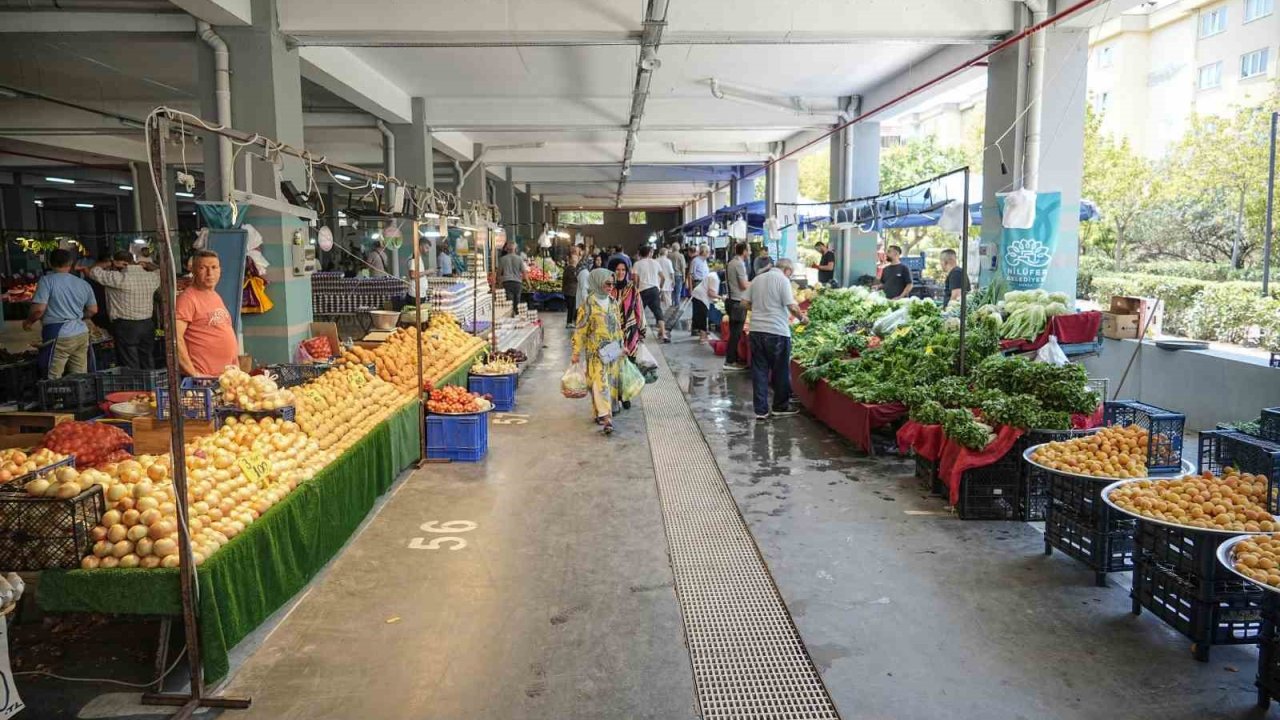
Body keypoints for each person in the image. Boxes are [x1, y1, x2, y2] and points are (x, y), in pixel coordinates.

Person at [744, 258, 807, 420]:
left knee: (759, 371)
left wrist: (758, 309)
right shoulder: (783, 280)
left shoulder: (757, 279)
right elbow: (792, 306)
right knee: (780, 370)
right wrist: (803, 319)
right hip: (777, 331)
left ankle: (761, 410)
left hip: (756, 330)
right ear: (787, 270)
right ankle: (780, 406)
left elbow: (744, 303)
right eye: (790, 273)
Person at [26, 249, 97, 379]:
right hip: (81, 333)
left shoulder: (47, 281)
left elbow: (39, 309)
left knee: (52, 376)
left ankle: (54, 398)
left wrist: (29, 322)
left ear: (50, 263)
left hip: (59, 334)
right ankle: (79, 398)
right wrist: (78, 316)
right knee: (80, 375)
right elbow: (93, 310)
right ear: (70, 264)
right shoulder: (83, 283)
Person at [571, 268, 625, 436]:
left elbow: (618, 326)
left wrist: (622, 345)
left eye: (612, 284)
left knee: (608, 384)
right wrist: (576, 352)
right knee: (600, 383)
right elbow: (580, 330)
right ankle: (607, 417)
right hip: (596, 354)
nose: (610, 287)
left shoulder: (613, 302)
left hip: (613, 352)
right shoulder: (588, 304)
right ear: (597, 282)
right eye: (607, 283)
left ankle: (600, 413)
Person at [90, 250, 160, 370]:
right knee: (147, 359)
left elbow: (93, 271)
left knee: (130, 364)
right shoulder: (151, 277)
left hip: (125, 326)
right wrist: (147, 264)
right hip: (147, 325)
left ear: (119, 263)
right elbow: (161, 271)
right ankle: (150, 386)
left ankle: (135, 388)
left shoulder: (118, 278)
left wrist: (108, 264)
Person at [175, 250, 238, 377]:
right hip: (203, 381)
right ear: (193, 271)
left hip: (226, 378)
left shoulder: (215, 296)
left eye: (214, 267)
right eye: (203, 268)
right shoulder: (187, 298)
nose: (210, 273)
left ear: (220, 270)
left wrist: (236, 368)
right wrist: (194, 374)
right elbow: (176, 339)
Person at [607, 259, 646, 361]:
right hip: (610, 334)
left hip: (630, 334)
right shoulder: (607, 289)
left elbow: (639, 310)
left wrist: (642, 330)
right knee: (613, 366)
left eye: (623, 270)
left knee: (630, 368)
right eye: (617, 269)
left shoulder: (632, 289)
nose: (621, 273)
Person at [631, 246, 669, 343]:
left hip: (642, 290)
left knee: (639, 312)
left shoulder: (637, 264)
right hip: (654, 290)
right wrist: (659, 287)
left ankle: (639, 335)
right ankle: (663, 333)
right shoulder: (655, 263)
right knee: (658, 312)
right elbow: (663, 277)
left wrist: (635, 290)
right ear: (649, 253)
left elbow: (635, 280)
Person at [724, 241, 751, 371]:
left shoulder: (731, 262)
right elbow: (743, 285)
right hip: (737, 302)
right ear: (744, 251)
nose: (750, 252)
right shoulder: (739, 264)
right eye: (749, 249)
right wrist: (757, 283)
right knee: (736, 333)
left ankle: (732, 358)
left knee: (734, 332)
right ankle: (730, 361)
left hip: (731, 301)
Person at [690, 260, 720, 344]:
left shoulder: (712, 275)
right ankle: (703, 337)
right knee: (703, 316)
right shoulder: (715, 278)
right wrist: (722, 298)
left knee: (698, 316)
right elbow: (711, 293)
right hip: (701, 297)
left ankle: (703, 335)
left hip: (697, 294)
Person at [498, 243, 525, 317]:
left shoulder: (502, 259)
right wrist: (529, 284)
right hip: (517, 283)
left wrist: (499, 284)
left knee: (510, 301)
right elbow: (524, 272)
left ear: (507, 250)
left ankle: (511, 316)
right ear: (515, 250)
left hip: (507, 282)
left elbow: (499, 273)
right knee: (517, 301)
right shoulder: (519, 258)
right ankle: (517, 315)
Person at [561, 245, 582, 329]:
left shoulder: (572, 268)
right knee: (571, 307)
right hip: (570, 292)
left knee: (572, 307)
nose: (576, 261)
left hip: (571, 292)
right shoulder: (570, 269)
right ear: (571, 261)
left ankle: (571, 321)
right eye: (575, 259)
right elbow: (575, 278)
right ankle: (569, 322)